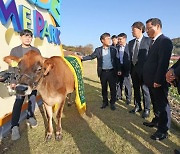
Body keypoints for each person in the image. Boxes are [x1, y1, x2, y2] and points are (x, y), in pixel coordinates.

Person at [143, 18, 173, 140]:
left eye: (149, 28)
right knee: (155, 103)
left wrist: (158, 80)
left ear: (158, 26)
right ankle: (156, 120)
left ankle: (163, 130)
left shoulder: (164, 41)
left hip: (158, 81)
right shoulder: (153, 42)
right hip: (151, 81)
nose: (147, 31)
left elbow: (163, 63)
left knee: (162, 105)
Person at [9, 29, 41, 140]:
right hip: (21, 81)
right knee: (18, 102)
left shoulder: (36, 51)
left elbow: (39, 66)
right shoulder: (15, 51)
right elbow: (12, 67)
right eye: (25, 36)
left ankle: (30, 116)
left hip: (32, 82)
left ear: (31, 38)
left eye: (30, 36)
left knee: (32, 99)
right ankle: (14, 126)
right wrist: (13, 81)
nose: (28, 38)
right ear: (21, 37)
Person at [80, 33, 120, 110]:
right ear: (102, 40)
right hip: (103, 73)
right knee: (104, 88)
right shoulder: (98, 50)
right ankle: (105, 102)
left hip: (112, 72)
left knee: (113, 89)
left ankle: (112, 103)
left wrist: (119, 70)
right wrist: (81, 58)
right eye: (107, 39)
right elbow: (91, 56)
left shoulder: (113, 49)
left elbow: (117, 60)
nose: (109, 40)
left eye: (109, 38)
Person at [128, 21, 151, 118]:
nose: (132, 32)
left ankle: (147, 109)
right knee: (136, 89)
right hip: (134, 70)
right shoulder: (131, 42)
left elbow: (151, 57)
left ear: (140, 30)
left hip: (145, 71)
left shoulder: (148, 41)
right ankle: (138, 106)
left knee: (145, 90)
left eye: (133, 30)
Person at [116, 33, 132, 104]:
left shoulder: (130, 47)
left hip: (127, 68)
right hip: (119, 67)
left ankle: (128, 98)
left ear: (125, 39)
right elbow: (117, 59)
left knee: (127, 83)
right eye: (118, 39)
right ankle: (118, 96)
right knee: (119, 83)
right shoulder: (117, 48)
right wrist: (119, 69)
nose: (119, 41)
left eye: (120, 39)